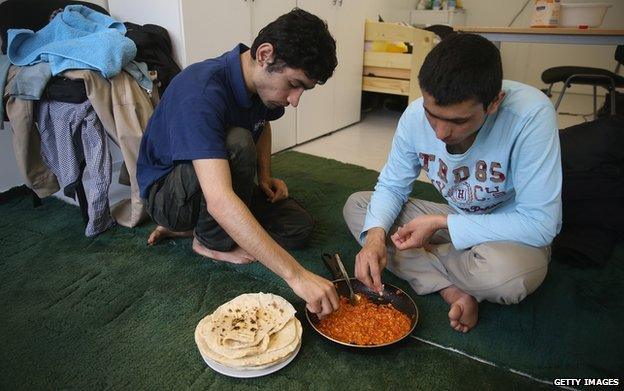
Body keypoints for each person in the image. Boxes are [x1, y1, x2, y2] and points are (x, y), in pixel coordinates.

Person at [343, 33, 562, 332]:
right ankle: (454, 290)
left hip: (510, 235)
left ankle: (428, 262)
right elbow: (392, 186)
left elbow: (541, 224)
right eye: (432, 115)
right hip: (457, 218)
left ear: (494, 102)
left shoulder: (530, 115)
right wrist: (374, 239)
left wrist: (440, 224)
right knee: (359, 208)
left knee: (508, 278)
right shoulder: (413, 116)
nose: (441, 133)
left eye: (459, 122)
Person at [136, 9, 340, 316]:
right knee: (238, 141)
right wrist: (296, 276)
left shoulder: (262, 87)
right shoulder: (201, 90)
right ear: (265, 55)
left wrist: (265, 177)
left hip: (219, 182)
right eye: (294, 84)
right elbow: (218, 200)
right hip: (169, 195)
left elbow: (265, 124)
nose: (295, 100)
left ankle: (210, 228)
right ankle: (207, 242)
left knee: (299, 228)